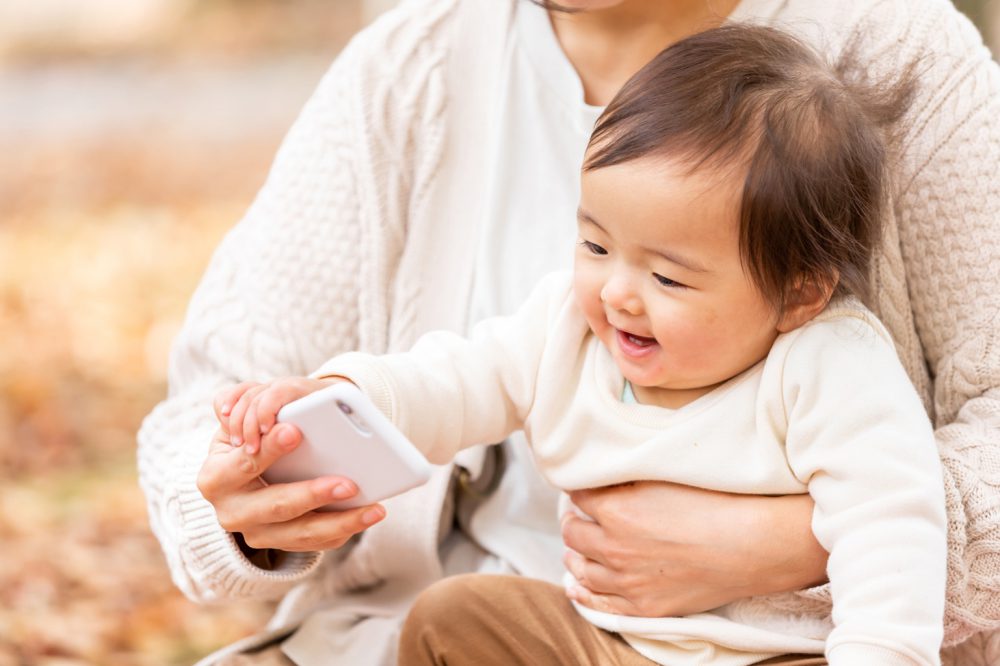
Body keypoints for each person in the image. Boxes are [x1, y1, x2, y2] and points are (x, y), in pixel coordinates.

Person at [136, 0, 1000, 664]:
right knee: (448, 619)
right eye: (592, 245)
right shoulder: (415, 69)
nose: (619, 295)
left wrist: (792, 545)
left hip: (785, 645)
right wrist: (293, 446)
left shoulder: (900, 55)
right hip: (514, 626)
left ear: (803, 293)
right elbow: (439, 379)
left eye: (668, 277)